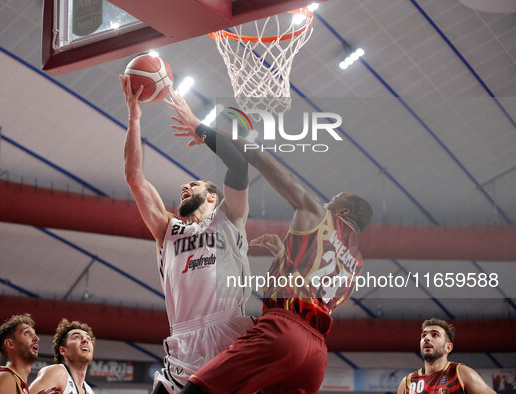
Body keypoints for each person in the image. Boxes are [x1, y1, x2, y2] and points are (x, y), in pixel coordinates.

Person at [170, 106, 373, 393]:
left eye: (334, 200)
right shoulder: (356, 264)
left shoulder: (319, 214)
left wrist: (203, 129)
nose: (327, 202)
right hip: (316, 356)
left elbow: (259, 157)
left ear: (344, 209)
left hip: (282, 332)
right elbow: (313, 289)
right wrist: (284, 254)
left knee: (198, 389)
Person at [119, 76, 253, 393]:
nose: (183, 187)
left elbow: (239, 165)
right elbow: (134, 177)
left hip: (229, 333)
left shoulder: (230, 218)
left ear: (211, 197)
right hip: (183, 344)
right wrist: (134, 117)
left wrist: (199, 128)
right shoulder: (167, 230)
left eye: (192, 185)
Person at [397, 318, 496, 394]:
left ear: (448, 347)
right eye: (424, 335)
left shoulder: (461, 373)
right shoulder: (407, 383)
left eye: (435, 335)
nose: (426, 338)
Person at [0, 313, 58, 394]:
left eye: (35, 334)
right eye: (27, 333)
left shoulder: (17, 383)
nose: (36, 338)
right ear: (10, 344)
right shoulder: (5, 377)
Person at [29, 319, 95, 394]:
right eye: (77, 337)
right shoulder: (57, 373)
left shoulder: (90, 391)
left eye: (88, 338)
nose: (85, 340)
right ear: (63, 351)